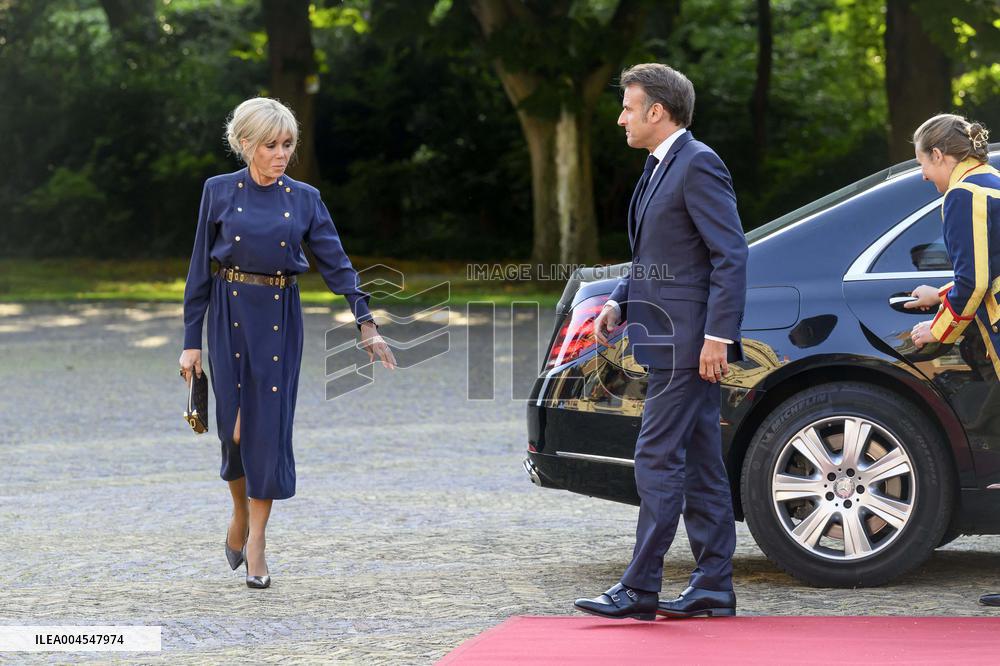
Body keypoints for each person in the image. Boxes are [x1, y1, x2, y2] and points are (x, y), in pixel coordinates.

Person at [178, 97, 396, 589]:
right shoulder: (218, 191)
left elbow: (337, 262)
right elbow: (198, 271)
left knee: (266, 433)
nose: (282, 155)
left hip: (279, 317)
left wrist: (365, 321)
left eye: (288, 144)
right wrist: (191, 341)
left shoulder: (304, 198)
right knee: (233, 433)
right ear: (246, 144)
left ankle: (257, 541)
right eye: (271, 145)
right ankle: (239, 512)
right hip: (229, 315)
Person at [573, 63, 748, 620]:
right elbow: (658, 254)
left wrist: (717, 336)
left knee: (655, 456)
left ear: (657, 111)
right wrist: (619, 301)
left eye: (628, 108)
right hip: (668, 337)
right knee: (700, 465)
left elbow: (730, 255)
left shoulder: (698, 163)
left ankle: (640, 586)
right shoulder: (659, 166)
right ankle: (713, 586)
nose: (620, 118)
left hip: (689, 343)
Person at [904, 113, 997, 609]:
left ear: (940, 155)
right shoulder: (992, 182)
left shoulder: (963, 195)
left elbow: (975, 282)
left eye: (923, 163)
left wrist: (936, 330)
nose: (923, 175)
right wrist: (940, 293)